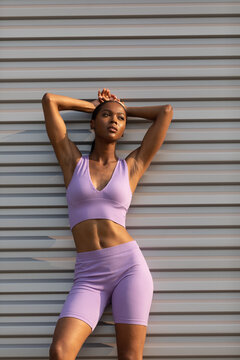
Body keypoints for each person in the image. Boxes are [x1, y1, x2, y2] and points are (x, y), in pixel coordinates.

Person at [42, 88, 173, 360]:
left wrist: (121, 107)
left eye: (120, 119)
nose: (114, 120)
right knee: (60, 351)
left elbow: (165, 112)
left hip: (129, 268)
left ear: (124, 129)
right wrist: (92, 105)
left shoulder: (132, 167)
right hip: (89, 275)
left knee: (129, 357)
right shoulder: (73, 162)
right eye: (106, 116)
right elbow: (50, 101)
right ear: (93, 122)